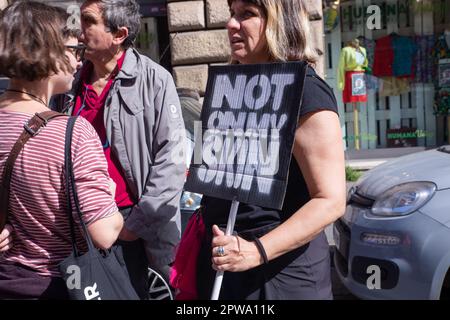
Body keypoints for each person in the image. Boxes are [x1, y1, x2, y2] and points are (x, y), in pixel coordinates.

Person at [196, 0, 346, 300]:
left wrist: (256, 251)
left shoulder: (307, 92)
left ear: (280, 23)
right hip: (225, 270)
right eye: (232, 14)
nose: (231, 25)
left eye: (247, 15)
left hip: (281, 277)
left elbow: (331, 200)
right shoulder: (230, 87)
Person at [54, 0, 186, 299]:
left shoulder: (155, 80)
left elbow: (173, 159)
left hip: (129, 223)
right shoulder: (69, 82)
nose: (79, 29)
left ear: (119, 34)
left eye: (88, 21)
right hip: (78, 224)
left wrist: (134, 226)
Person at [0, 1, 123, 299]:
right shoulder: (72, 132)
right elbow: (105, 233)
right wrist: (107, 192)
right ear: (47, 51)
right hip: (57, 284)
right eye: (74, 49)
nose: (79, 61)